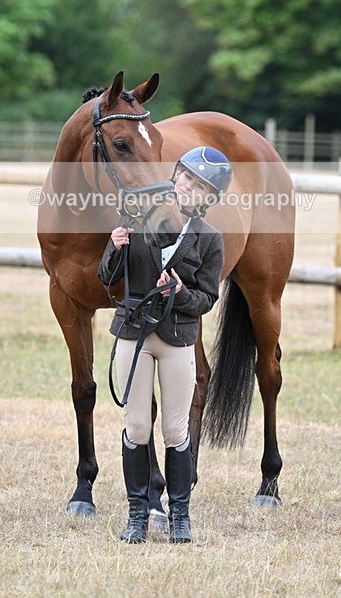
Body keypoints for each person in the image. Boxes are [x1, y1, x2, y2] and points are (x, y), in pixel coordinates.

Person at [98, 146, 232, 544]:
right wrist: (114, 246)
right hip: (133, 333)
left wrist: (177, 292)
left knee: (175, 429)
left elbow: (207, 298)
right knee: (137, 425)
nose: (186, 186)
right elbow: (107, 277)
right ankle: (137, 514)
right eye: (185, 177)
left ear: (209, 197)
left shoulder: (210, 239)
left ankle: (180, 516)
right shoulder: (139, 218)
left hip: (176, 339)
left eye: (198, 184)